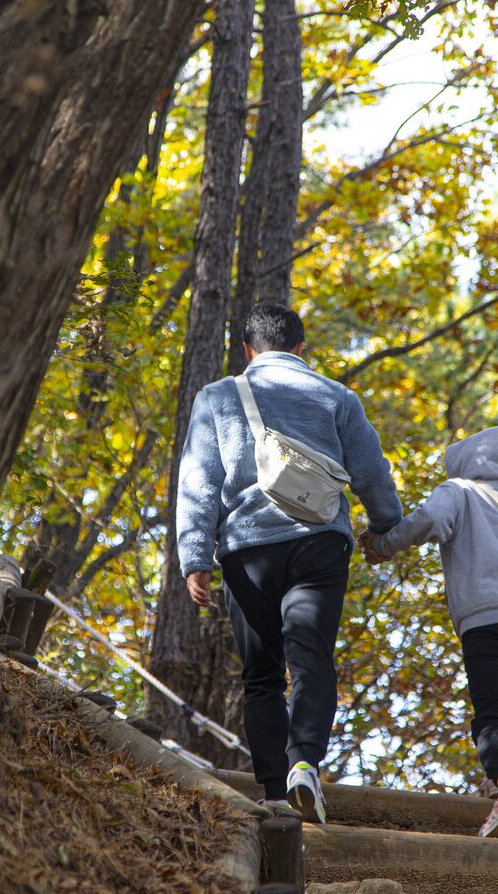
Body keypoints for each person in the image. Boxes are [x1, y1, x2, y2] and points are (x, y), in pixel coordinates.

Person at [177, 303, 402, 822]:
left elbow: (200, 481)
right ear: (301, 348)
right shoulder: (335, 396)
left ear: (247, 350)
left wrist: (195, 557)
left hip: (246, 550)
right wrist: (385, 525)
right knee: (311, 660)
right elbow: (371, 470)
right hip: (319, 542)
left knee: (261, 677)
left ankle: (275, 794)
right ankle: (305, 764)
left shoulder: (217, 397)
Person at [359, 425, 498, 838]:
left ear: (468, 458)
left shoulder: (459, 489)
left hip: (489, 617)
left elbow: (429, 520)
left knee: (490, 707)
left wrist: (384, 544)